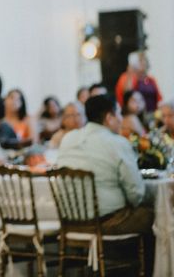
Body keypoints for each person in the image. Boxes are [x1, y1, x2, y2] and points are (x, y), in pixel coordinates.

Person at [57, 95, 153, 234]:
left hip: (71, 221)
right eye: (119, 114)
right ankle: (127, 256)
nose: (121, 120)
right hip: (108, 222)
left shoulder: (68, 139)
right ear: (109, 117)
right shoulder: (117, 143)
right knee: (153, 213)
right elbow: (136, 193)